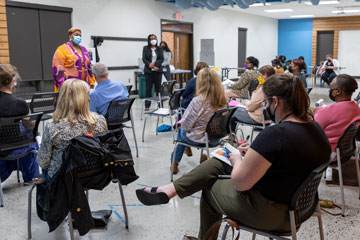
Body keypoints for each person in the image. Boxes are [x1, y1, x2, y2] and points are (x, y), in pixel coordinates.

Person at [136, 73, 331, 239]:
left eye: (266, 103)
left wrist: (238, 159)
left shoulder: (275, 134)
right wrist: (253, 153)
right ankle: (170, 189)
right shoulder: (316, 129)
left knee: (210, 188)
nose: (265, 107)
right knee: (221, 162)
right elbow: (286, 161)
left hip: (273, 214)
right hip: (301, 208)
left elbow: (241, 184)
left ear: (276, 102)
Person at [35, 79, 107, 183]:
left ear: (62, 98)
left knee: (46, 168)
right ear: (87, 98)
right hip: (95, 173)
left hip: (64, 178)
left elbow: (43, 162)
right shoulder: (100, 120)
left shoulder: (53, 127)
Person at [171, 68, 227, 174]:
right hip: (215, 138)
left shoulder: (198, 101)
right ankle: (203, 155)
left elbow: (186, 125)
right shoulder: (223, 99)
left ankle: (174, 162)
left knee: (180, 130)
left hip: (197, 139)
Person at [0, 64, 39, 184]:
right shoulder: (19, 103)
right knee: (33, 138)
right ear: (12, 80)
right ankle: (30, 177)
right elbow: (29, 126)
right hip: (15, 145)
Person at [315, 74, 360, 155]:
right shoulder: (356, 107)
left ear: (338, 91)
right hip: (346, 152)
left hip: (327, 153)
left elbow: (311, 130)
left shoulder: (326, 111)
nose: (330, 89)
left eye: (331, 87)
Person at [229, 65, 275, 132]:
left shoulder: (263, 88)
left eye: (260, 75)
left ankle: (231, 138)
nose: (259, 77)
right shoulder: (274, 85)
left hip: (258, 118)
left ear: (265, 75)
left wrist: (245, 104)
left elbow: (251, 107)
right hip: (268, 118)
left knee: (231, 111)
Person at [52, 28, 95, 92]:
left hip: (84, 86)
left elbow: (89, 66)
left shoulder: (84, 49)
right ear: (70, 36)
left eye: (80, 36)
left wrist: (91, 80)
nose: (78, 37)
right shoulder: (62, 49)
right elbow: (57, 68)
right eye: (76, 35)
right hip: (69, 87)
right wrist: (62, 84)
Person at [142, 34, 164, 111]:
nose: (153, 40)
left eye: (154, 38)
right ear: (149, 40)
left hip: (158, 70)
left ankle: (160, 105)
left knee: (158, 89)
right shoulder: (145, 48)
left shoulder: (160, 48)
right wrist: (149, 65)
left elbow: (161, 58)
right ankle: (147, 106)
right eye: (151, 39)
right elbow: (144, 59)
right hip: (148, 71)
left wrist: (155, 65)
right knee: (148, 88)